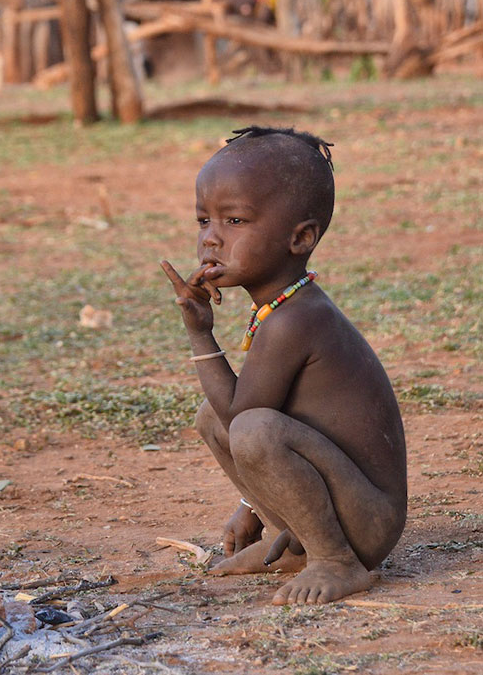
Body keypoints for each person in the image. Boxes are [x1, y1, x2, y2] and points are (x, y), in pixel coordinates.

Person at [161, 126, 407, 605]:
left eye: (233, 222)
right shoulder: (282, 308)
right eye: (203, 221)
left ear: (301, 238)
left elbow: (247, 422)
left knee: (249, 427)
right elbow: (243, 417)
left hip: (368, 519)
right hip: (346, 500)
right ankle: (296, 543)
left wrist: (199, 333)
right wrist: (252, 506)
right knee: (212, 417)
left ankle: (335, 559)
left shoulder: (297, 319)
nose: (211, 240)